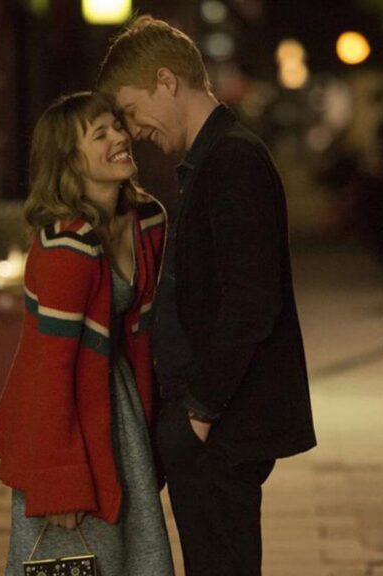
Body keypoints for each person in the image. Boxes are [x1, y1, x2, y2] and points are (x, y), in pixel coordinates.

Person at [98, 16, 317, 576]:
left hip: (221, 426)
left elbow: (251, 300)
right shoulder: (209, 158)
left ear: (167, 82)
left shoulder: (232, 160)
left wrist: (198, 412)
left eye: (129, 110)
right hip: (213, 422)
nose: (129, 131)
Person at [0, 91, 174, 576]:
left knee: (136, 556)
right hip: (65, 425)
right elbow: (47, 369)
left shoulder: (146, 221)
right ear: (70, 160)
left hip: (118, 410)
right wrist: (58, 484)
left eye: (117, 126)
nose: (120, 138)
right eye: (101, 134)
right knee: (82, 558)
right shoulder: (64, 247)